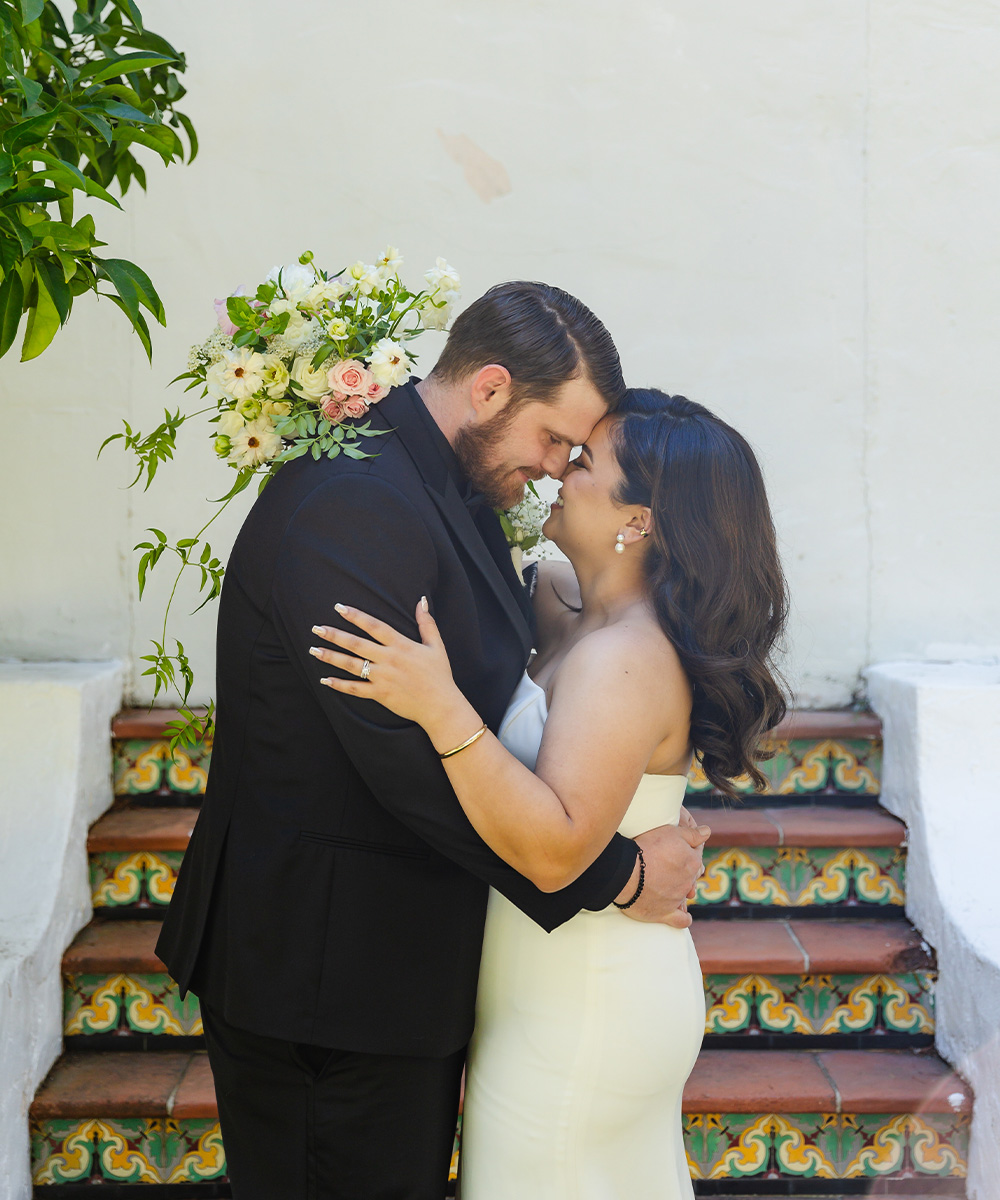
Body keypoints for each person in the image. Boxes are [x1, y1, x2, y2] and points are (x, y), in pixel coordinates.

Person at [155, 286, 710, 1200]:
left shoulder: (440, 480)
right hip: (328, 976)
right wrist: (617, 874)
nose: (555, 468)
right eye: (554, 440)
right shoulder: (355, 501)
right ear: (490, 390)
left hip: (394, 970)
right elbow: (403, 763)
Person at [311, 387, 789, 1198]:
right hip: (551, 990)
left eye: (587, 461)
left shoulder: (624, 659)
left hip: (585, 1007)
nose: (562, 468)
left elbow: (556, 847)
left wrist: (439, 707)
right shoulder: (573, 607)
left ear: (639, 521)